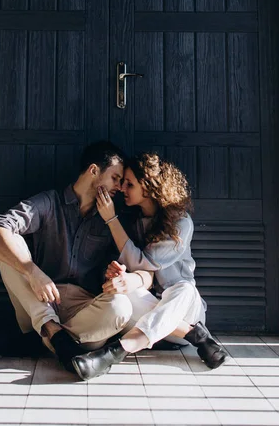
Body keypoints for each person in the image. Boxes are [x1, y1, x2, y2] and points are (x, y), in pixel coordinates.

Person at [72, 152, 227, 380]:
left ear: (149, 187)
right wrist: (122, 275)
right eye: (122, 182)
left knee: (183, 289)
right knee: (122, 294)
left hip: (187, 309)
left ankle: (114, 353)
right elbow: (140, 272)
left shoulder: (180, 223)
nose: (123, 189)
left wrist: (111, 221)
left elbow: (145, 263)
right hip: (161, 319)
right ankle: (196, 336)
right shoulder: (135, 222)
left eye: (129, 184)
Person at [0, 141, 136, 372]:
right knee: (7, 244)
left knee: (122, 307)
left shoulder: (111, 217)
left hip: (85, 313)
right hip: (40, 301)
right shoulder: (49, 202)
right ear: (94, 170)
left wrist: (115, 272)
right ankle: (53, 332)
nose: (120, 187)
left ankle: (43, 340)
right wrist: (32, 272)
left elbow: (124, 263)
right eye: (115, 178)